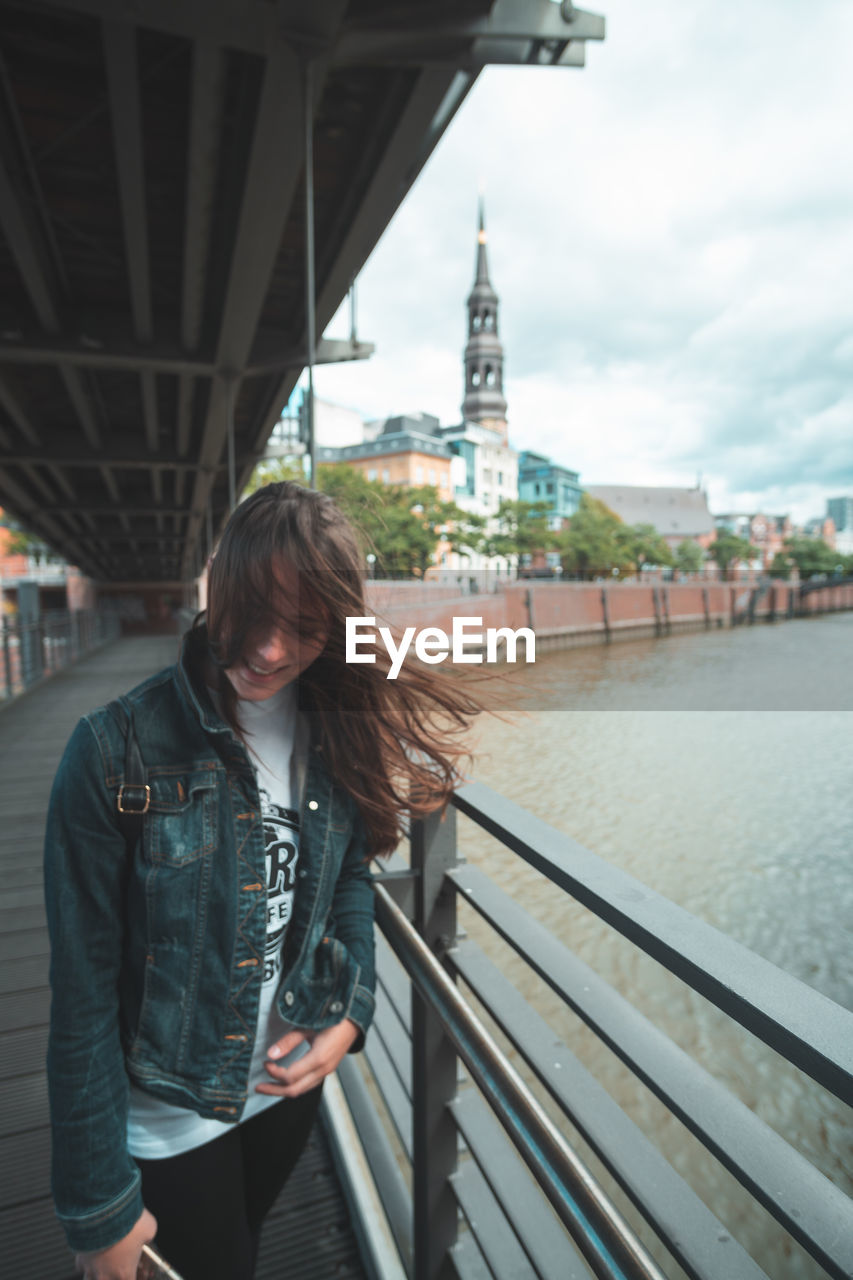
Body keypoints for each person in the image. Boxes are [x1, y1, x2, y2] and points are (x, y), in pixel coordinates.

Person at [44, 482, 480, 1280]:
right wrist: (98, 1206)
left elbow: (349, 872)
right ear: (216, 579)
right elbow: (80, 995)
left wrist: (350, 1013)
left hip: (283, 1099)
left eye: (306, 629)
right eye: (250, 614)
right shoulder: (112, 753)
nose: (272, 650)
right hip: (168, 1125)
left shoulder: (331, 720)